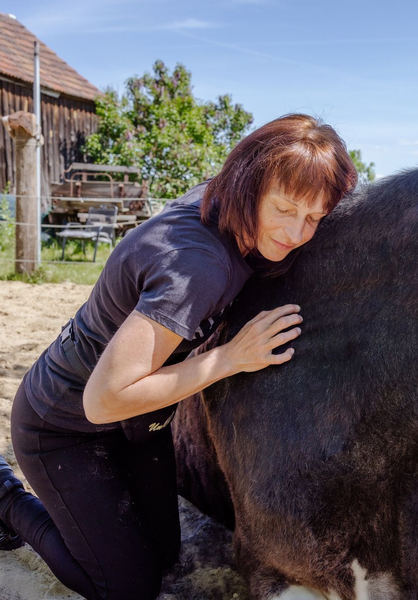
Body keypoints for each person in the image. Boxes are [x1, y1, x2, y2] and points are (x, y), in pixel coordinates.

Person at [0, 113, 357, 600]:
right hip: (64, 424)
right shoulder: (198, 267)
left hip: (140, 419)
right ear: (249, 184)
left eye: (314, 217)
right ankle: (6, 497)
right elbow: (103, 400)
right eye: (285, 208)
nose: (296, 232)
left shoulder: (226, 201)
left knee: (166, 553)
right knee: (126, 587)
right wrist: (230, 358)